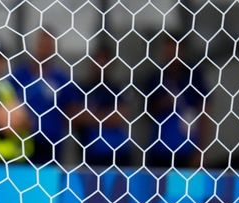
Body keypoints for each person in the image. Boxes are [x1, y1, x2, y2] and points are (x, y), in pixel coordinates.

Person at [10, 29, 81, 165]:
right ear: (35, 46)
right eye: (42, 45)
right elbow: (7, 101)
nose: (45, 50)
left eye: (49, 46)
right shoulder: (19, 76)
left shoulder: (62, 79)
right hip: (23, 143)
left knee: (49, 182)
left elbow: (72, 110)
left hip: (52, 145)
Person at [144, 36, 209, 168]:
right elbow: (146, 113)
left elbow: (205, 112)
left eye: (176, 48)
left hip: (187, 151)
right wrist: (163, 103)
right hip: (159, 150)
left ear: (183, 50)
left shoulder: (194, 76)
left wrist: (200, 151)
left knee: (185, 187)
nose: (172, 53)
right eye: (169, 48)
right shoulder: (156, 77)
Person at [74, 48, 131, 167]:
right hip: (89, 154)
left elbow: (121, 116)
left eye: (104, 60)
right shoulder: (82, 87)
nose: (101, 64)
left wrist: (91, 117)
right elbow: (75, 116)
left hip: (118, 154)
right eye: (98, 60)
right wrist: (107, 116)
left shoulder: (117, 88)